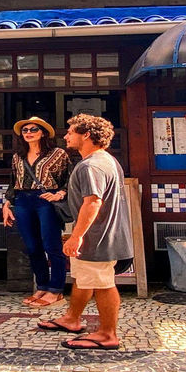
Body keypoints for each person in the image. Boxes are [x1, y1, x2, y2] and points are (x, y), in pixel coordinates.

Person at [38, 114, 133, 351]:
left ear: (86, 135)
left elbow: (93, 202)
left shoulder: (91, 165)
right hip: (99, 235)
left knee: (102, 283)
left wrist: (77, 236)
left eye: (71, 132)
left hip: (98, 239)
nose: (66, 136)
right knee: (84, 279)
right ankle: (72, 319)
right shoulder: (107, 160)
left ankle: (107, 334)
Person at [3, 117, 72, 308]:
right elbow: (13, 182)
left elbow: (70, 178)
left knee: (52, 246)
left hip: (45, 201)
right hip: (23, 201)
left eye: (33, 129)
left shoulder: (58, 154)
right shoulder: (18, 156)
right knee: (32, 247)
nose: (28, 132)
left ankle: (56, 289)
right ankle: (42, 285)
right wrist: (7, 204)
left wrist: (59, 194)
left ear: (43, 132)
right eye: (24, 130)